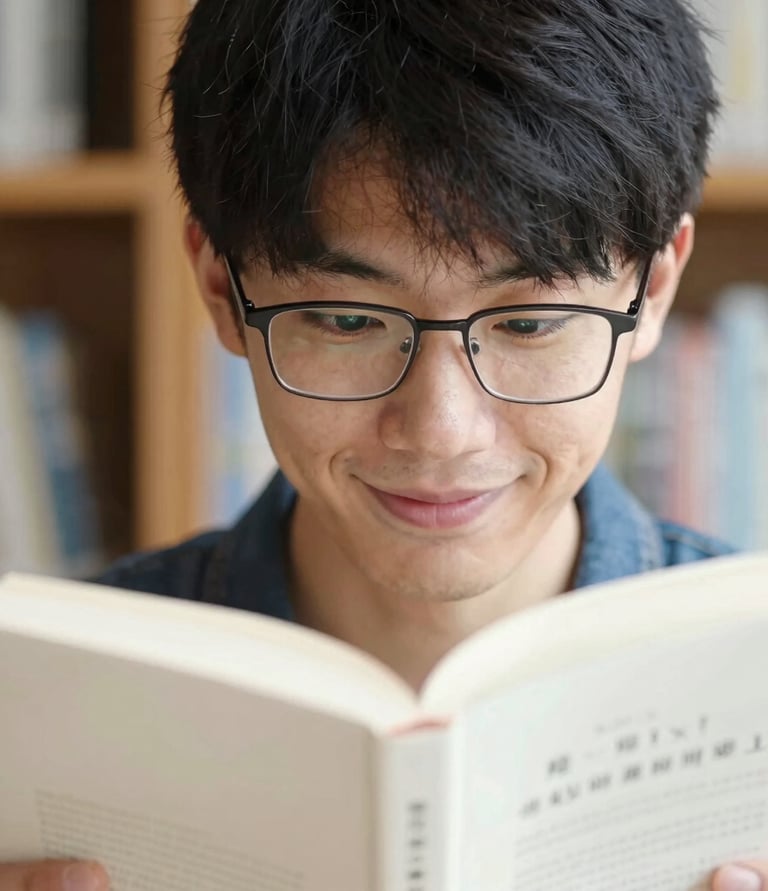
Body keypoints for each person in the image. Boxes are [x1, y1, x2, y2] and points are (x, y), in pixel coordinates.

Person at [4, 1, 764, 890]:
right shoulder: (38, 719)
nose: (442, 429)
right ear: (221, 287)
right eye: (348, 318)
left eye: (529, 321)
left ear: (655, 288)